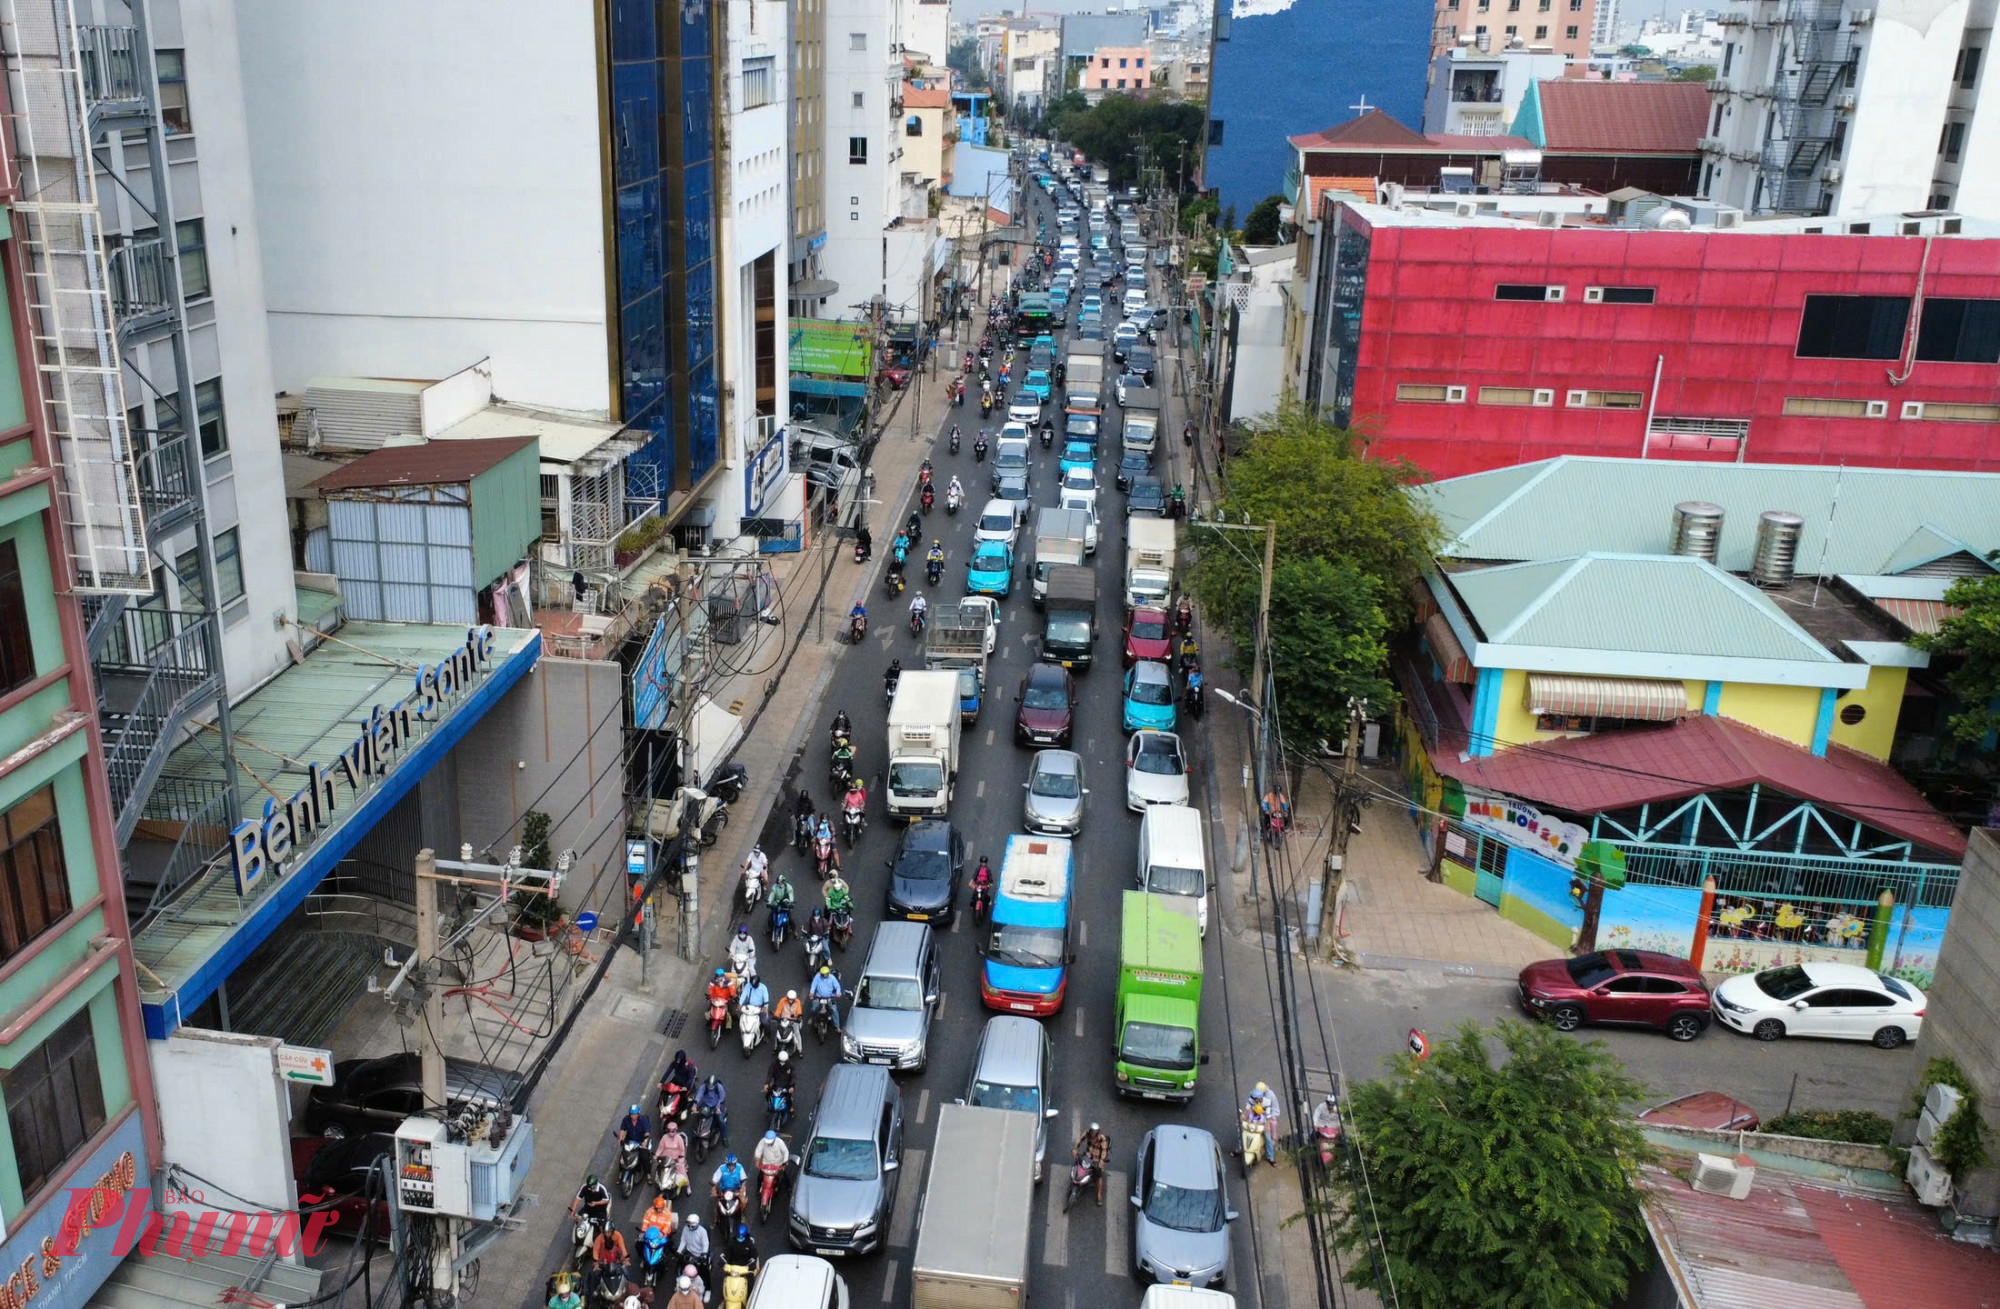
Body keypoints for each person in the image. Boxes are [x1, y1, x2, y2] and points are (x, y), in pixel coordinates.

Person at [1074, 1123, 1111, 1205]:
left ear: (1097, 1133)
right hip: (1088, 1154)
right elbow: (1080, 1139)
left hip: (1097, 1159)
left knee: (1099, 1176)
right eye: (1092, 1132)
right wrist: (1075, 1148)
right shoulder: (1087, 1133)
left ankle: (1099, 1194)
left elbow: (1104, 1151)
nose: (1092, 1134)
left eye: (1094, 1133)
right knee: (1078, 1162)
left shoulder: (1102, 1139)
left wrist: (1101, 1162)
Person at [1244, 1082, 1281, 1163]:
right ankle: (1238, 1148)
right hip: (1254, 1117)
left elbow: (1268, 1115)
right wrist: (1243, 1118)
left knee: (1268, 1138)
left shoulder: (1268, 1100)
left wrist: (1267, 1125)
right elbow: (1247, 1109)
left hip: (1265, 1118)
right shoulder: (1253, 1097)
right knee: (1243, 1131)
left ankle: (1270, 1157)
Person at [655, 1119, 689, 1191]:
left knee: (682, 1172)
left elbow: (682, 1150)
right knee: (659, 1170)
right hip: (666, 1158)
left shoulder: (679, 1138)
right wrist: (656, 1155)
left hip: (676, 1159)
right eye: (669, 1130)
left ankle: (688, 1187)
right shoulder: (664, 1137)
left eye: (673, 1131)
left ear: (676, 1131)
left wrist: (681, 1160)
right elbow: (660, 1148)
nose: (671, 1133)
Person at [674, 1214, 710, 1281]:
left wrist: (704, 1256)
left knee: (704, 1271)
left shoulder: (702, 1231)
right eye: (688, 1223)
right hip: (689, 1252)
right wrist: (678, 1251)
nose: (690, 1226)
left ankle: (708, 1288)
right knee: (679, 1265)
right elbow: (683, 1241)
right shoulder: (685, 1229)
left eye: (692, 1224)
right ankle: (678, 1280)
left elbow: (706, 1244)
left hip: (700, 1254)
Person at [809, 964, 845, 1030]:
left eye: (826, 974)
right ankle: (812, 1018)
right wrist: (811, 993)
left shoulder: (832, 978)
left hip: (829, 997)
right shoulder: (817, 977)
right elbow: (813, 986)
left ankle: (837, 1026)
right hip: (818, 996)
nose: (825, 975)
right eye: (823, 974)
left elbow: (837, 986)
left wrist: (838, 993)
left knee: (834, 1010)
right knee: (814, 1008)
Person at [695, 1073, 729, 1141]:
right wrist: (694, 1105)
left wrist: (718, 1107)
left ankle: (724, 1137)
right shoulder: (704, 1086)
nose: (710, 1089)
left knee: (720, 1120)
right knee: (699, 1116)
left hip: (717, 1106)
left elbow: (722, 1098)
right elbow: (698, 1096)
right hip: (707, 1104)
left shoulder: (719, 1087)